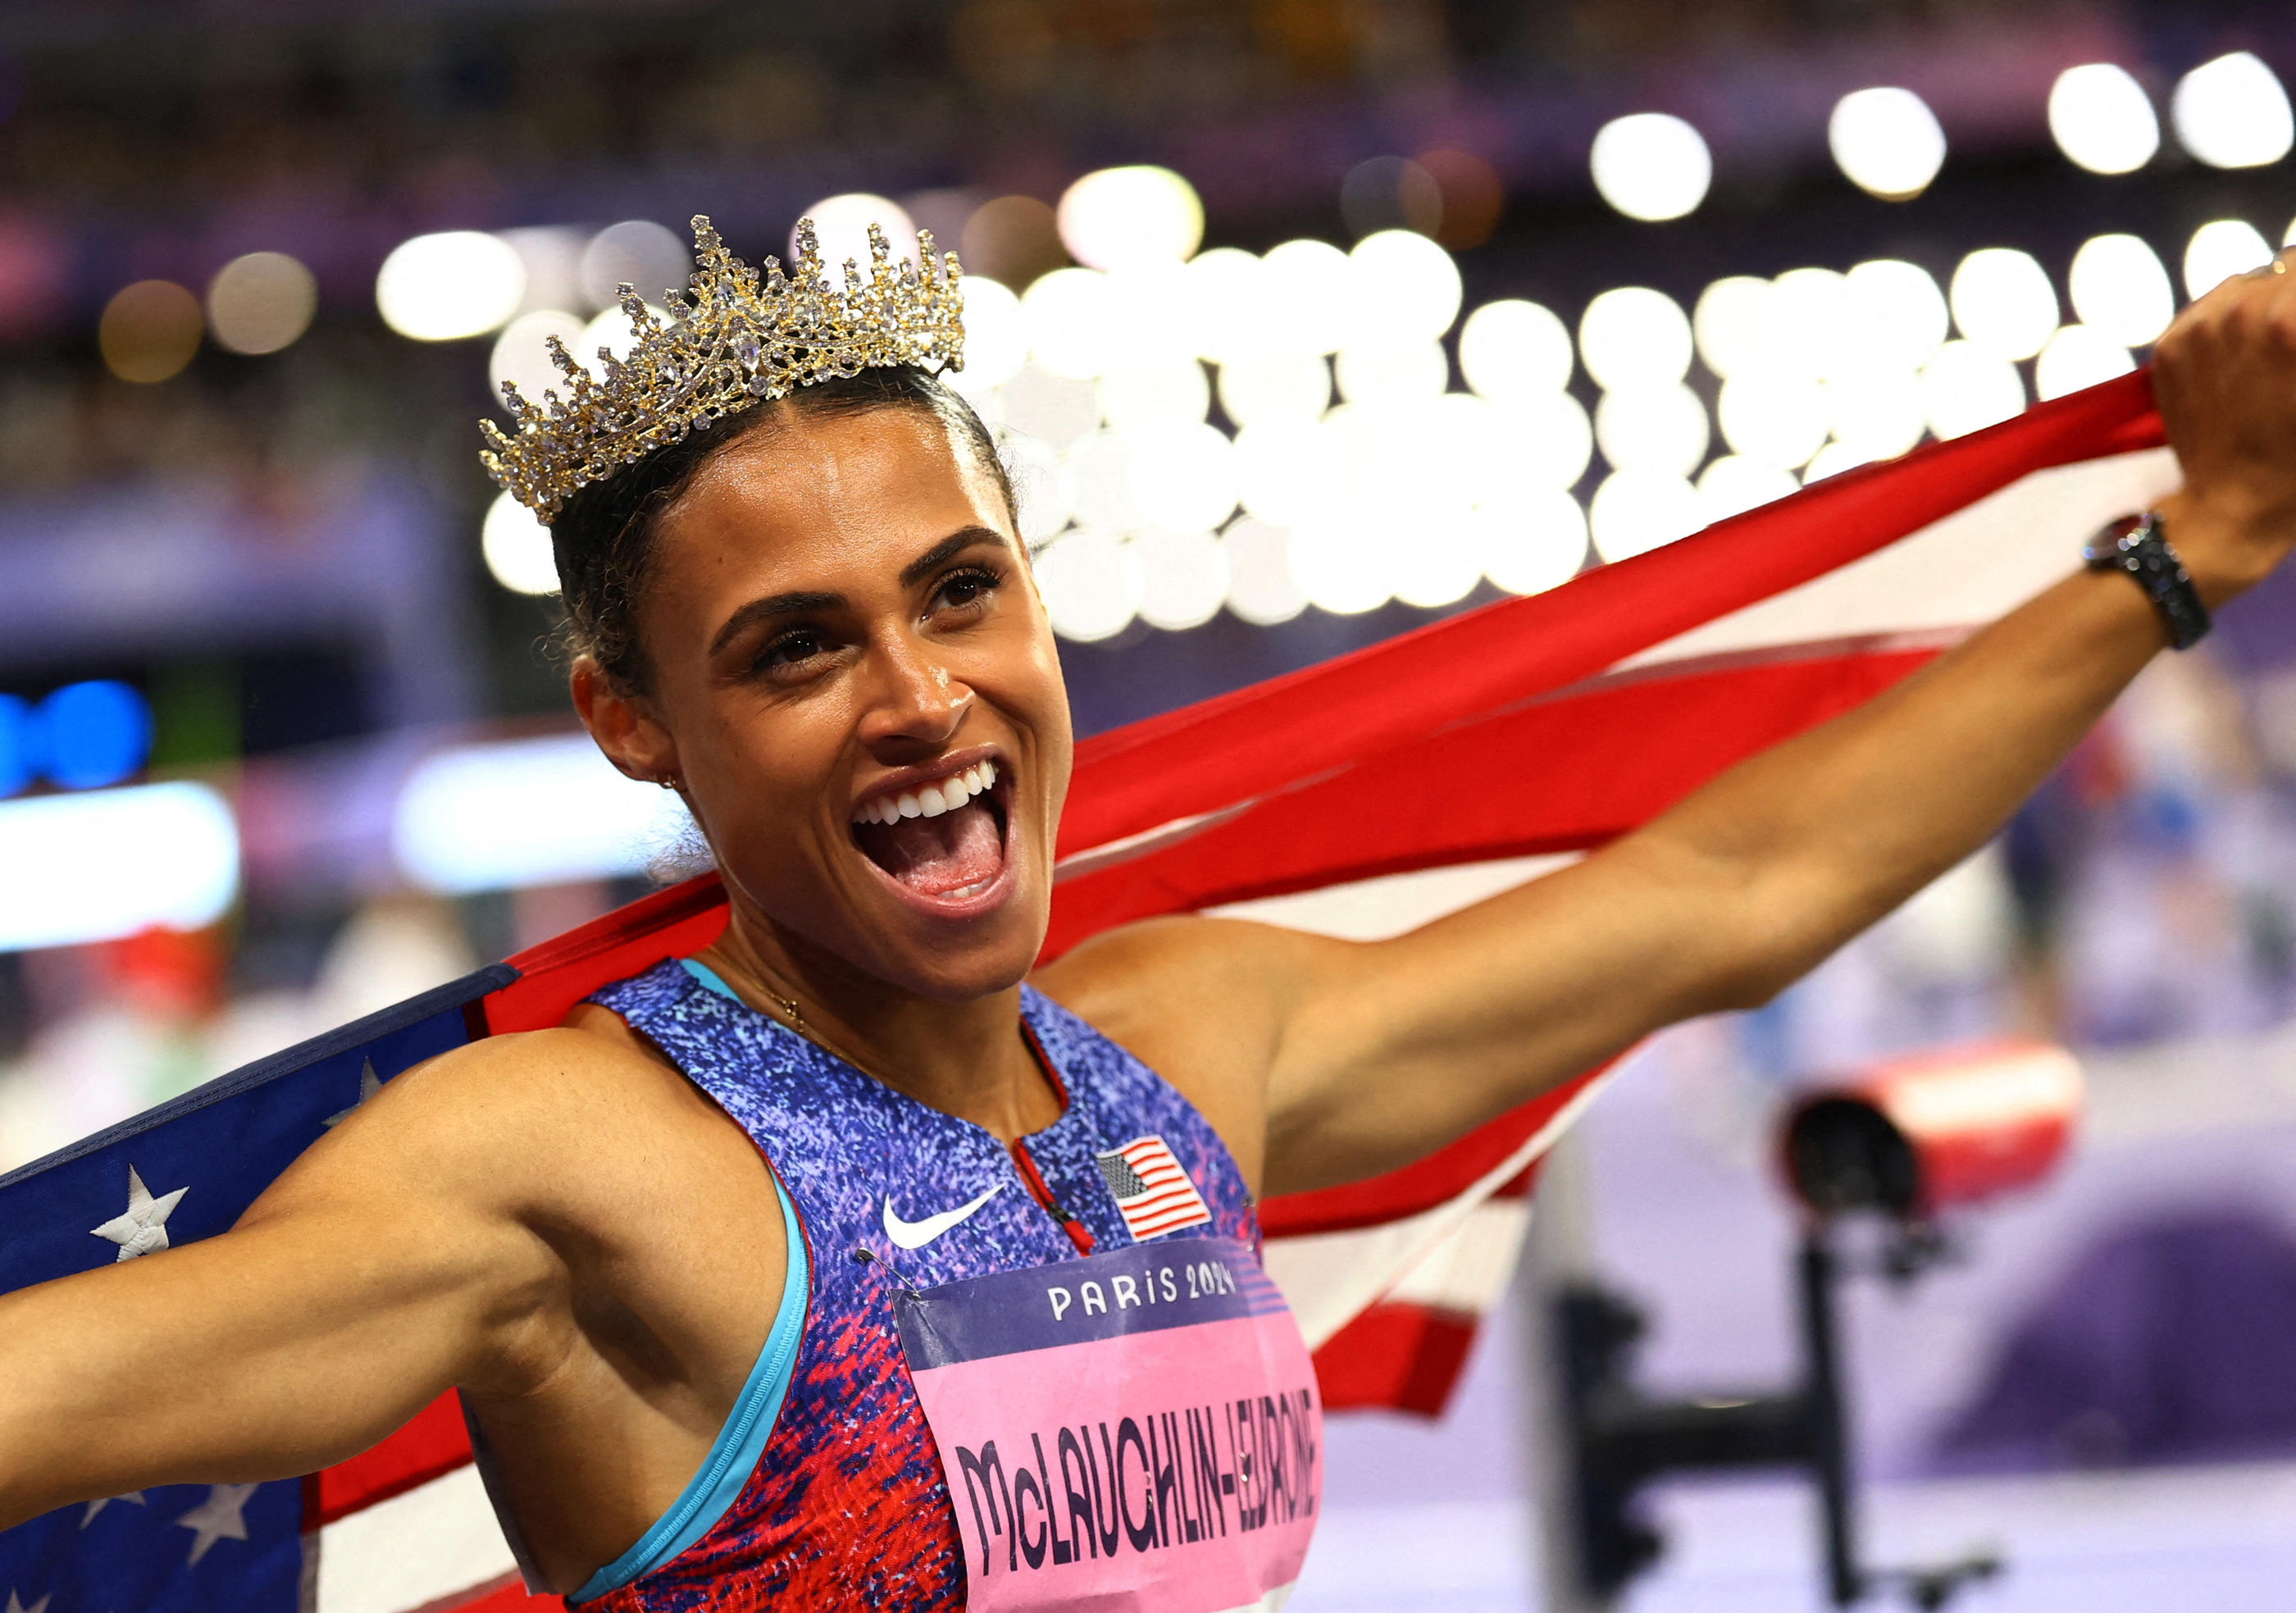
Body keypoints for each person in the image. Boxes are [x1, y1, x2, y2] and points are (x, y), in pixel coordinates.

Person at [2, 216, 2294, 1609]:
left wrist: (2188, 552)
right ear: (633, 727)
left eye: (957, 595)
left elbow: (1738, 883)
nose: (918, 698)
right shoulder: (576, 1165)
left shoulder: (1183, 1053)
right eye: (796, 650)